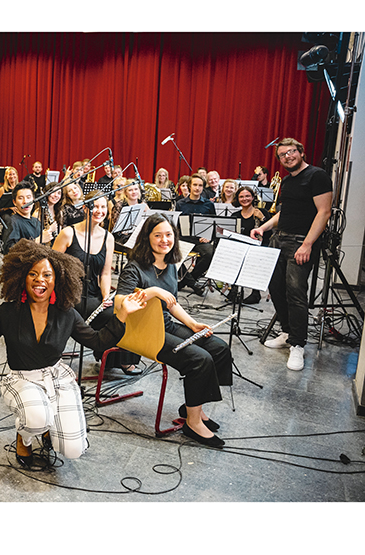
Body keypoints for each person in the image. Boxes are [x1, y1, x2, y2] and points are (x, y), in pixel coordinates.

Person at [0, 240, 146, 465]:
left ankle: (49, 423)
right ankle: (25, 437)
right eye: (33, 274)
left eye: (47, 275)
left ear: (57, 280)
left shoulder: (66, 313)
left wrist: (122, 315)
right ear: (22, 277)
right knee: (36, 420)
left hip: (56, 378)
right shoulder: (7, 312)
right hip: (22, 379)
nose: (40, 279)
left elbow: (98, 342)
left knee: (73, 449)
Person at [115, 213, 233, 448]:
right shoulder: (134, 268)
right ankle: (193, 423)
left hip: (165, 325)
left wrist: (192, 324)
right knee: (199, 359)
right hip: (142, 332)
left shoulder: (169, 265)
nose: (164, 240)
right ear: (147, 238)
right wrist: (153, 292)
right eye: (157, 235)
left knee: (219, 348)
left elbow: (172, 303)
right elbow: (120, 303)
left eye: (168, 235)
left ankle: (193, 408)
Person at [251, 137, 332, 371]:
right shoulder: (286, 181)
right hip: (279, 240)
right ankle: (287, 333)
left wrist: (307, 244)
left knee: (296, 293)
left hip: (300, 242)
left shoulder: (317, 176)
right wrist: (263, 228)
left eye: (291, 152)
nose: (288, 157)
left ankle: (298, 345)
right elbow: (283, 212)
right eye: (282, 155)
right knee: (276, 288)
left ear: (301, 152)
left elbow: (324, 212)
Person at [53, 192, 140, 374]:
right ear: (85, 208)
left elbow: (105, 273)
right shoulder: (68, 233)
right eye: (96, 207)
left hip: (93, 293)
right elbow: (51, 268)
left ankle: (113, 359)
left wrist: (106, 296)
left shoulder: (108, 237)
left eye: (103, 207)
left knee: (124, 311)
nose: (100, 211)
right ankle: (115, 358)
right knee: (113, 316)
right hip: (69, 294)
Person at [175, 174, 215, 295]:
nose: (197, 188)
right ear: (189, 186)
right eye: (195, 185)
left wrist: (208, 237)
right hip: (183, 238)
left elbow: (214, 225)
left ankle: (185, 281)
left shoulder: (209, 204)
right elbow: (176, 224)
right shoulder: (180, 203)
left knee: (209, 253)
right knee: (170, 253)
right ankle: (193, 283)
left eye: (200, 185)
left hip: (200, 240)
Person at [228, 185, 267, 305]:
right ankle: (234, 290)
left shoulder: (262, 213)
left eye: (247, 196)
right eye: (241, 197)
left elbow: (270, 232)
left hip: (258, 246)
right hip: (241, 247)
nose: (245, 199)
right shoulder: (235, 215)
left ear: (253, 197)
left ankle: (255, 293)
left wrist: (262, 219)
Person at [2, 182, 41, 254]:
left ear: (33, 200)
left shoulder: (37, 221)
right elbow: (9, 249)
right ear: (14, 202)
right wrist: (37, 241)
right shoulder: (12, 222)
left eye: (28, 197)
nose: (25, 201)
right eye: (20, 198)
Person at [110, 179, 147, 246]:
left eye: (136, 189)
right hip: (122, 238)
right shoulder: (119, 205)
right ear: (125, 193)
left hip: (139, 236)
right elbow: (115, 229)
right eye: (130, 190)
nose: (134, 192)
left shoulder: (143, 204)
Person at [0, 167, 20, 232]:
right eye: (10, 174)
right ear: (6, 176)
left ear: (17, 175)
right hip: (5, 212)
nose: (12, 176)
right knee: (9, 221)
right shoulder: (2, 189)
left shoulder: (19, 188)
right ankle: (6, 238)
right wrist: (9, 207)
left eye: (14, 174)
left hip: (18, 211)